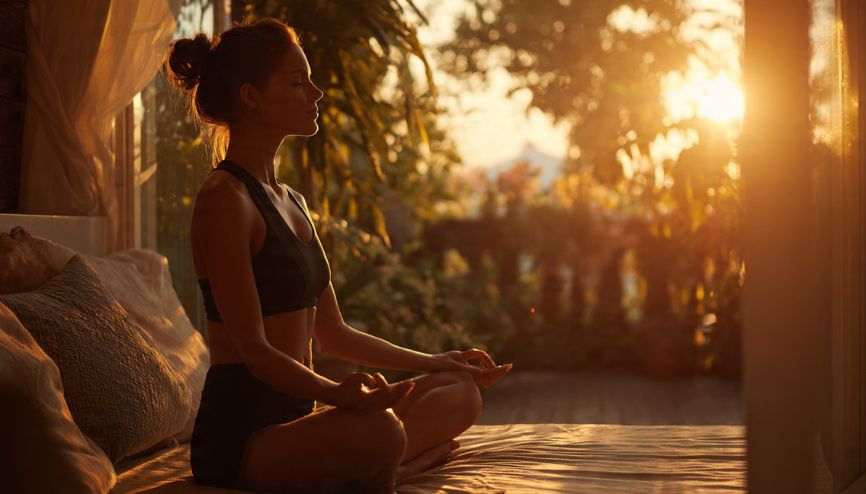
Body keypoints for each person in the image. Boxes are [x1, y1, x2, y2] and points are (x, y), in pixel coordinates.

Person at [163, 17, 513, 494]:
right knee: (380, 430)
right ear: (251, 96)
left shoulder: (291, 201)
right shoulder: (225, 199)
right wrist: (337, 394)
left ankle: (380, 464)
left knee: (459, 392)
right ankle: (393, 465)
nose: (316, 92)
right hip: (246, 438)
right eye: (297, 81)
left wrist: (438, 361)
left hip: (303, 422)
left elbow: (334, 333)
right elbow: (254, 350)